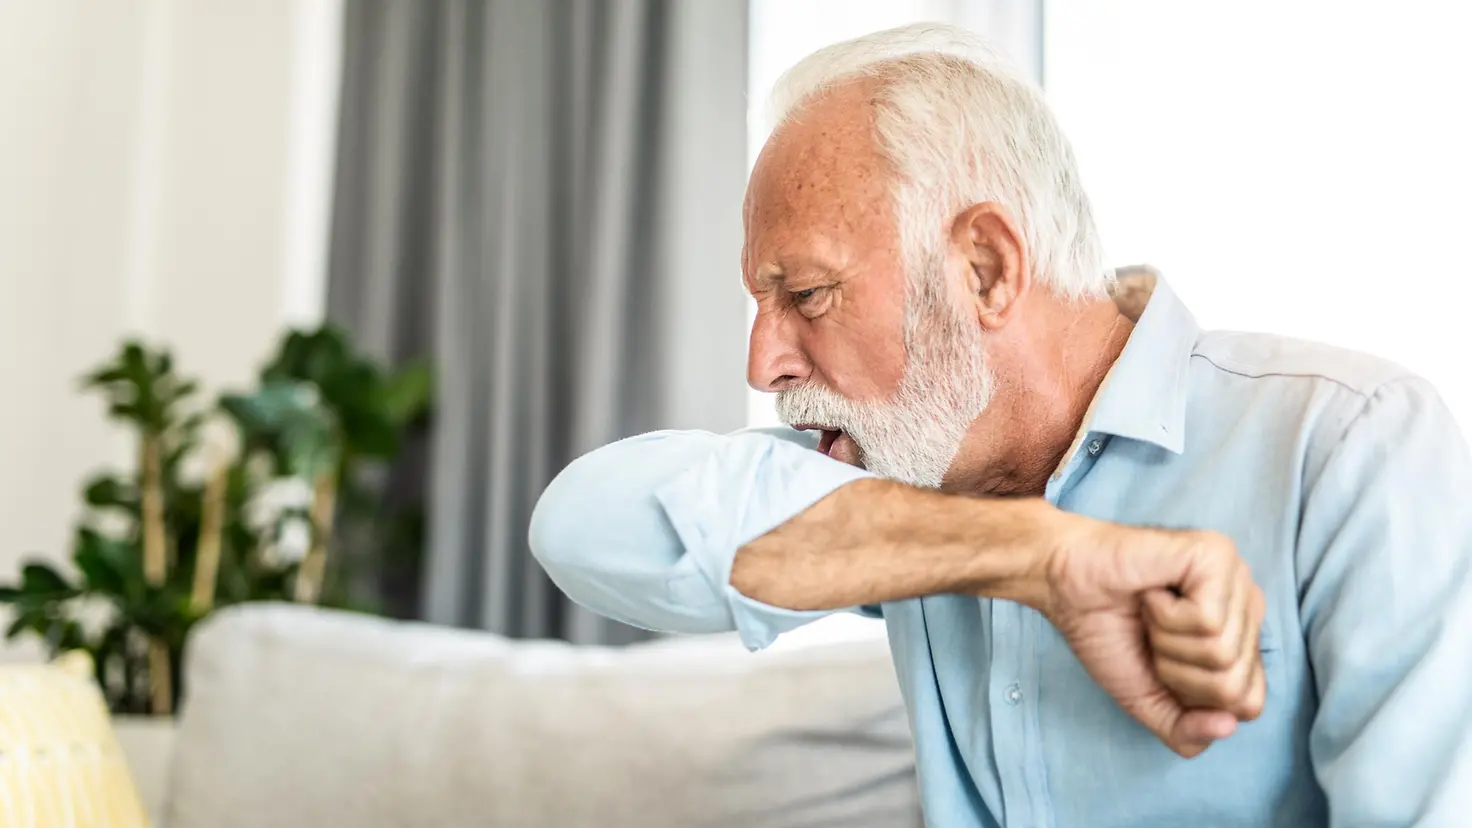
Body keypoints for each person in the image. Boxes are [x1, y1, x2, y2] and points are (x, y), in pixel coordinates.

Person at [529, 23, 1472, 827]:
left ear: (983, 268)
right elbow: (580, 525)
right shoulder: (908, 482)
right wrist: (1033, 553)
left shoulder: (1350, 445)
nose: (763, 363)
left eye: (806, 296)